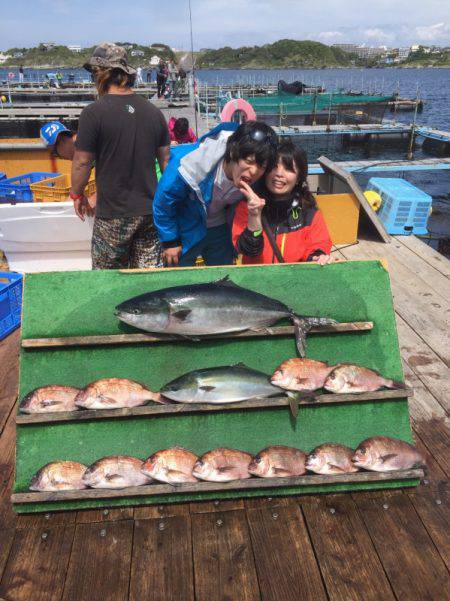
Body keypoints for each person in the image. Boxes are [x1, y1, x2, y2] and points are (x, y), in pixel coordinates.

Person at [69, 42, 171, 270]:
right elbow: (167, 163)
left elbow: (82, 161)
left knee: (106, 280)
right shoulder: (154, 113)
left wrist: (77, 194)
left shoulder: (93, 113)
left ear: (101, 74)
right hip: (149, 213)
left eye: (93, 73)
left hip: (112, 215)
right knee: (146, 279)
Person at [153, 120, 277, 267]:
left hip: (219, 225)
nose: (254, 171)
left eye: (261, 166)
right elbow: (163, 201)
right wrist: (170, 241)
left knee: (224, 274)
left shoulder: (257, 179)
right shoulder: (189, 164)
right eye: (249, 161)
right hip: (186, 223)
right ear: (233, 152)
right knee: (179, 278)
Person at [233, 141, 333, 265]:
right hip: (255, 280)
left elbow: (318, 245)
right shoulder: (247, 206)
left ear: (299, 178)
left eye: (288, 169)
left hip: (293, 280)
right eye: (274, 167)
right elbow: (248, 251)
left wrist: (318, 257)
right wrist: (254, 215)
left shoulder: (308, 212)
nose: (279, 174)